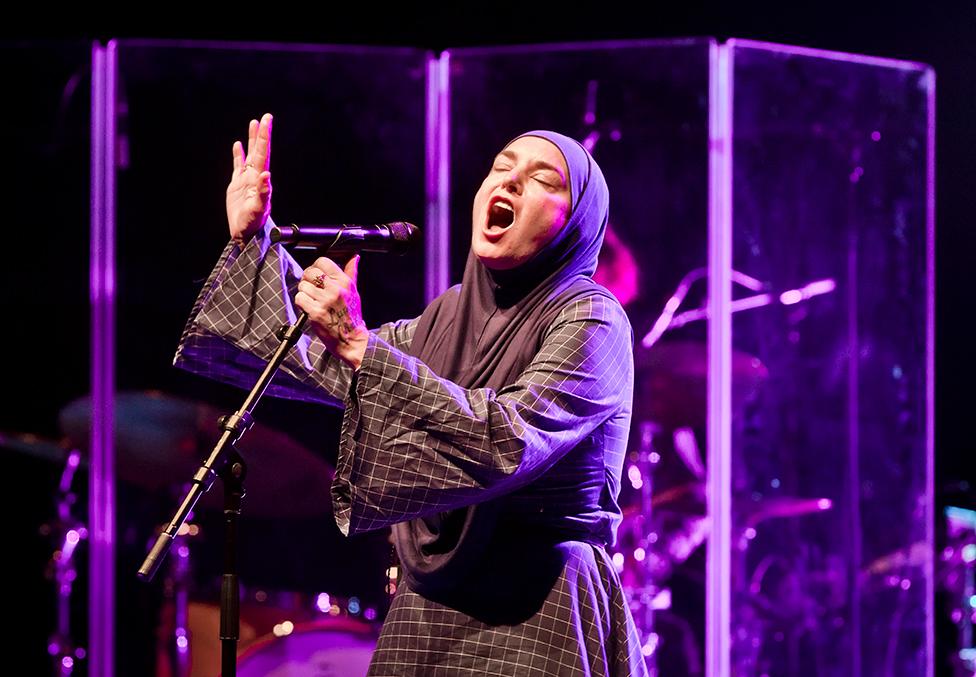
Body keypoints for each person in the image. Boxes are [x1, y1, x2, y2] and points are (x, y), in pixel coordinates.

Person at [175, 113, 648, 675]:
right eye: (501, 168)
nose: (510, 182)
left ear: (579, 222)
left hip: (538, 609)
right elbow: (318, 357)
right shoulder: (445, 319)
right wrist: (253, 239)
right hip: (427, 617)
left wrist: (359, 346)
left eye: (544, 179)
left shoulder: (592, 318)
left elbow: (509, 439)